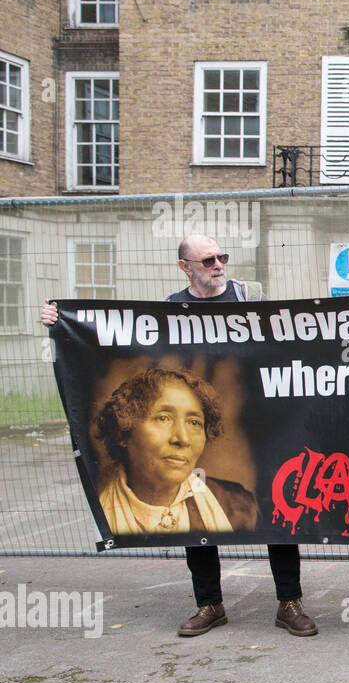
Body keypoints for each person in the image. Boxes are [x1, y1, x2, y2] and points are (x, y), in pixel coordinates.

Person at [42, 234, 318, 639]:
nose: (218, 265)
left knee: (275, 514)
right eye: (207, 260)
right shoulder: (169, 312)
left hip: (258, 425)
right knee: (191, 519)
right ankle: (209, 605)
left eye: (222, 257)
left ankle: (289, 603)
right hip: (189, 427)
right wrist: (60, 320)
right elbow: (110, 337)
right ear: (185, 267)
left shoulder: (249, 302)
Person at [93, 367, 256, 535]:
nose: (183, 439)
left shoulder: (238, 507)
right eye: (163, 418)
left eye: (194, 422)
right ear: (123, 431)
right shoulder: (96, 511)